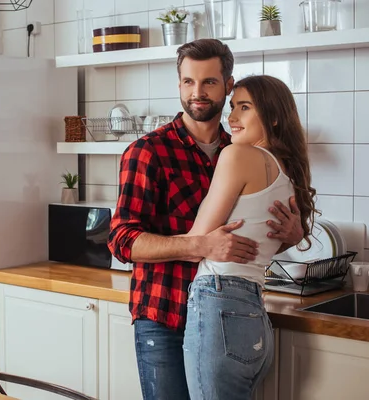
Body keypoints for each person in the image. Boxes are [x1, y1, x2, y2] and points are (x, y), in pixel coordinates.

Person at [107, 38, 304, 400]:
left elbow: (258, 232)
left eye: (209, 82)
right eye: (188, 82)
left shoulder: (242, 150)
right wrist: (200, 244)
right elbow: (122, 239)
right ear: (179, 84)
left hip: (223, 317)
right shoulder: (148, 152)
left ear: (228, 85)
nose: (197, 92)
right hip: (163, 317)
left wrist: (291, 234)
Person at [181, 74, 317, 400]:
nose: (231, 118)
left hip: (219, 304)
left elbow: (196, 241)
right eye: (232, 107)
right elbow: (274, 236)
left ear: (272, 116)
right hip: (254, 317)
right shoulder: (288, 171)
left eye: (245, 107)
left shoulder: (237, 155)